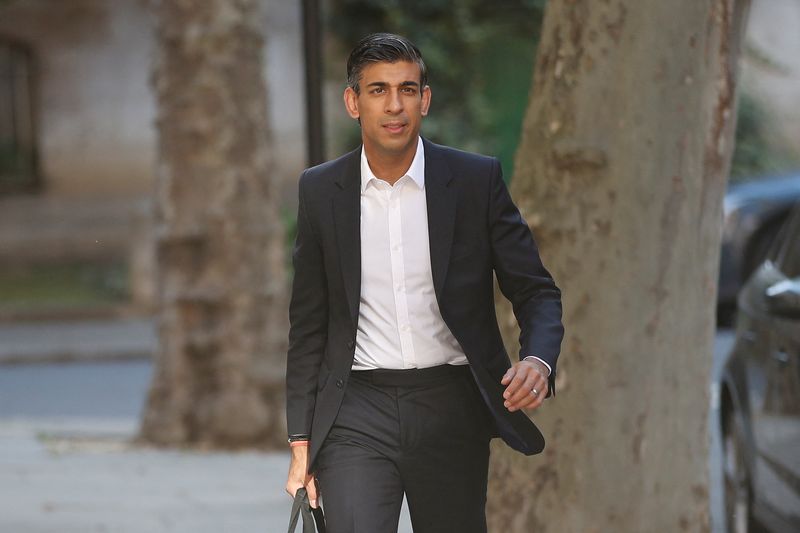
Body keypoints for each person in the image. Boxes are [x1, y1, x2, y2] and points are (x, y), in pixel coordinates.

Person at [285, 32, 564, 533]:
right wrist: (301, 441)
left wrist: (539, 360)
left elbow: (535, 289)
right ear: (353, 101)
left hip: (451, 403)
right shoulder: (321, 191)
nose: (395, 105)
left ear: (425, 99)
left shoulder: (475, 181)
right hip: (356, 410)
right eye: (378, 90)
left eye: (407, 89)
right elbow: (309, 324)